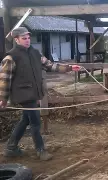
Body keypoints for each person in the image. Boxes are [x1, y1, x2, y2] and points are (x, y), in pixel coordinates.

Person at [0, 27, 81, 161]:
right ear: (16, 39)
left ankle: (11, 147)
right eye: (24, 38)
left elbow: (50, 65)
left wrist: (70, 67)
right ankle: (40, 150)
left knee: (26, 120)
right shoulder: (11, 57)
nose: (27, 41)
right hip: (24, 94)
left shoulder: (35, 53)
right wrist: (2, 98)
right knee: (35, 122)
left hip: (34, 92)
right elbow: (4, 79)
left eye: (28, 38)